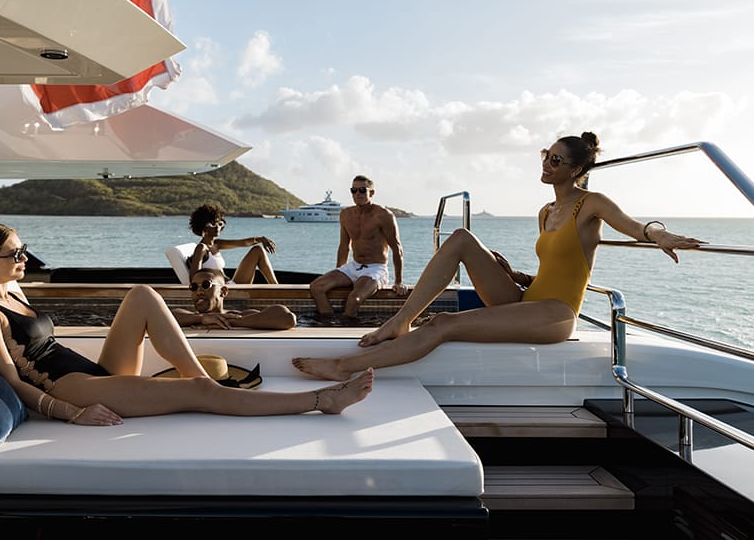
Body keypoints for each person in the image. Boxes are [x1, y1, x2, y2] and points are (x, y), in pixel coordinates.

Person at [293, 132, 705, 381]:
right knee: (460, 238)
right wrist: (519, 275)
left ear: (576, 169)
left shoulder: (590, 203)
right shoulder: (546, 212)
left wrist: (659, 234)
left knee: (445, 323)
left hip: (555, 314)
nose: (546, 162)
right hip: (529, 299)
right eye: (545, 154)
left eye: (556, 160)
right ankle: (402, 321)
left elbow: (634, 227)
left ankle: (343, 368)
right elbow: (556, 267)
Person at [0, 222, 374, 425]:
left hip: (92, 373)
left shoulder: (14, 293)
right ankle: (320, 401)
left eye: (24, 250)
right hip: (66, 387)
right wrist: (69, 413)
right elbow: (9, 381)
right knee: (198, 392)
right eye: (15, 254)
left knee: (143, 294)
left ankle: (205, 382)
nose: (24, 259)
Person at [309, 175, 408, 318]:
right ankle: (328, 324)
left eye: (362, 190)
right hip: (353, 266)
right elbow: (344, 246)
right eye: (353, 190)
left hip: (375, 269)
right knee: (317, 287)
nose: (357, 194)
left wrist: (398, 281)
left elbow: (397, 248)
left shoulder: (383, 215)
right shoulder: (345, 214)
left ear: (371, 193)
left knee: (354, 299)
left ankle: (347, 330)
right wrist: (339, 270)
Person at [172, 267, 296, 330]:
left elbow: (287, 319)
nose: (199, 291)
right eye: (193, 287)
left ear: (223, 291)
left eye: (206, 285)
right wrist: (202, 318)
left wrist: (227, 322)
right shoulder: (191, 317)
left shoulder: (241, 315)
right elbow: (159, 317)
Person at [187, 204, 279, 284]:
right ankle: (279, 290)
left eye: (220, 224)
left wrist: (261, 239)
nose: (217, 227)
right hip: (222, 290)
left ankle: (277, 287)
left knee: (257, 250)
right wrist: (213, 282)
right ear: (203, 227)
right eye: (212, 224)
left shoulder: (216, 244)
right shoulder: (201, 248)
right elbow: (194, 278)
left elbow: (242, 243)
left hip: (230, 284)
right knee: (258, 250)